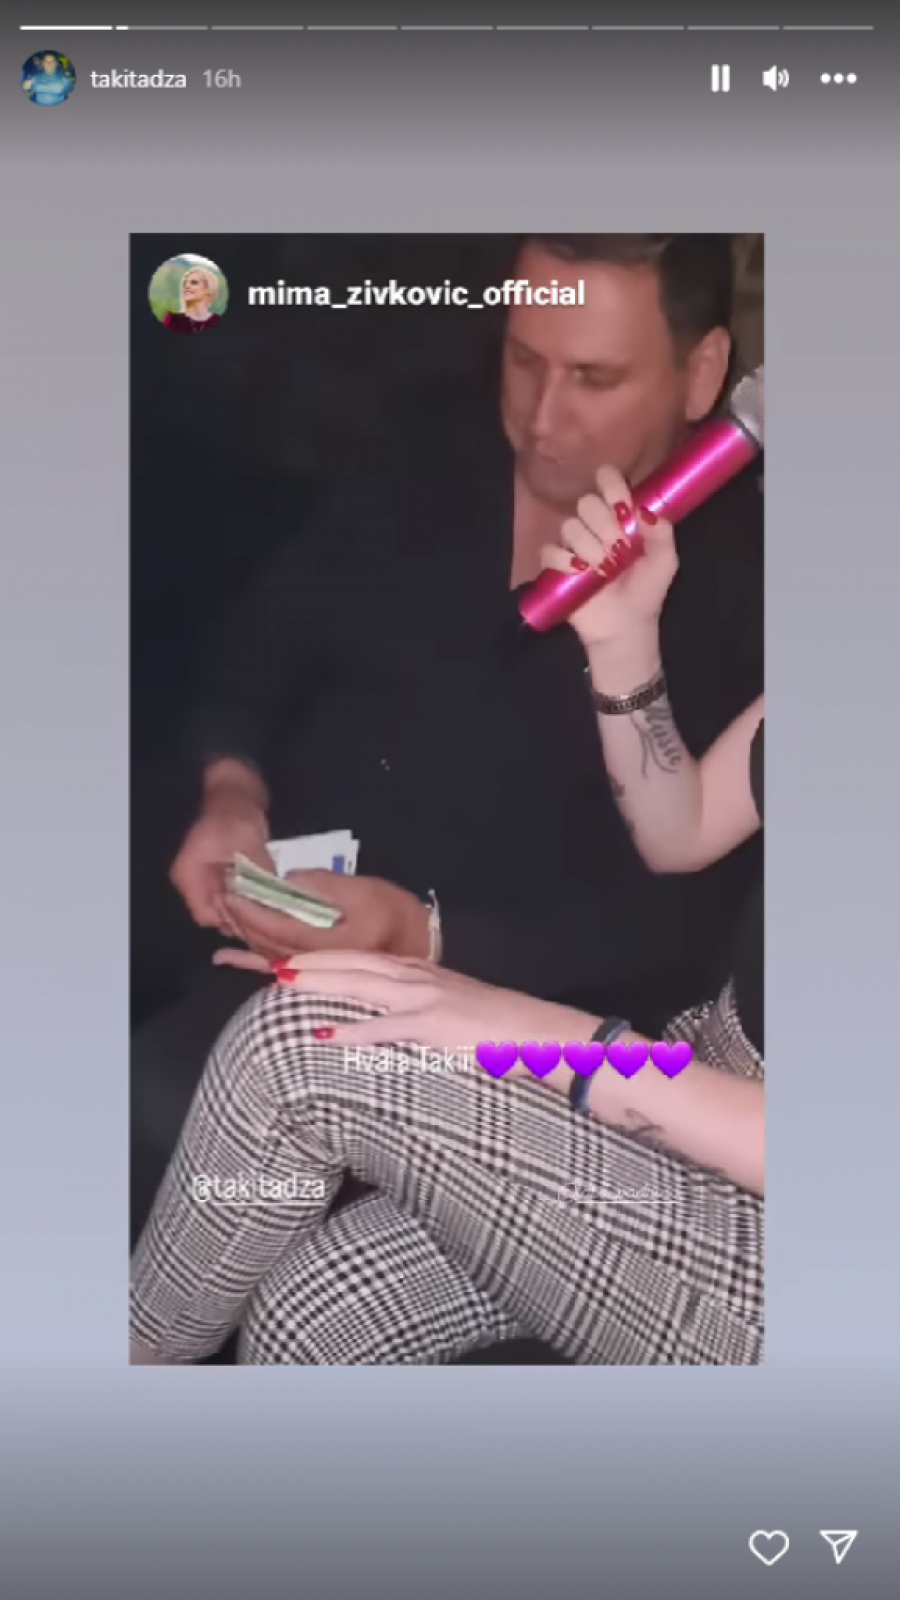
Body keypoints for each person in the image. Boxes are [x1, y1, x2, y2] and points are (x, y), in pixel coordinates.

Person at [131, 234, 763, 1242]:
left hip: (469, 1029)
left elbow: (675, 929)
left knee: (166, 1100)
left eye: (595, 378)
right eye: (524, 359)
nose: (541, 418)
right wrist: (230, 792)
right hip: (250, 894)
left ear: (702, 373)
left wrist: (420, 935)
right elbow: (260, 641)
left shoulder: (748, 596)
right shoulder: (434, 445)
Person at [130, 465, 764, 1366]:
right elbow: (683, 829)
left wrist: (549, 1036)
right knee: (312, 1321)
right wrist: (624, 643)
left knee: (297, 1049)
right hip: (707, 1073)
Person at [162, 266, 222, 334]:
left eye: (194, 282)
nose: (186, 286)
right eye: (184, 283)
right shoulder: (173, 321)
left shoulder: (217, 321)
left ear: (207, 289)